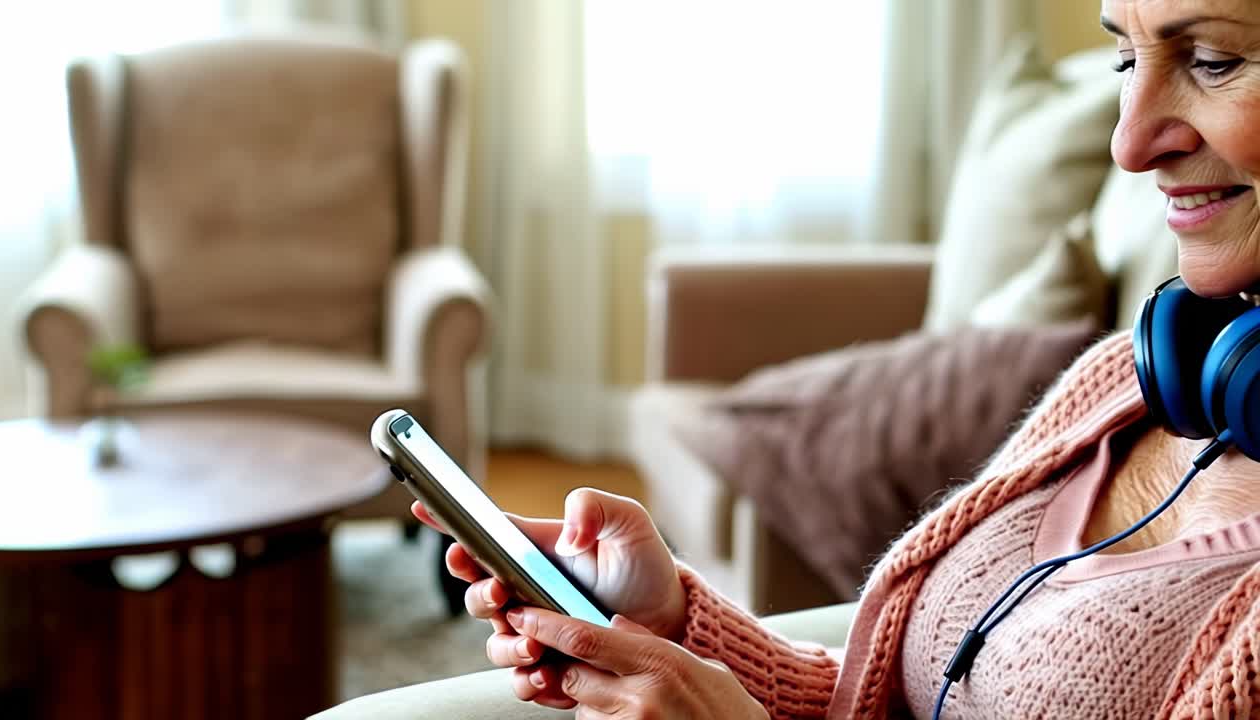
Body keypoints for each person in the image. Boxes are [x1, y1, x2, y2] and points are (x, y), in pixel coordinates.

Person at [414, 1, 1260, 716]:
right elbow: (899, 698)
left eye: (1214, 61)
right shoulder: (1123, 382)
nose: (1129, 143)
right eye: (1122, 58)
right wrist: (678, 628)